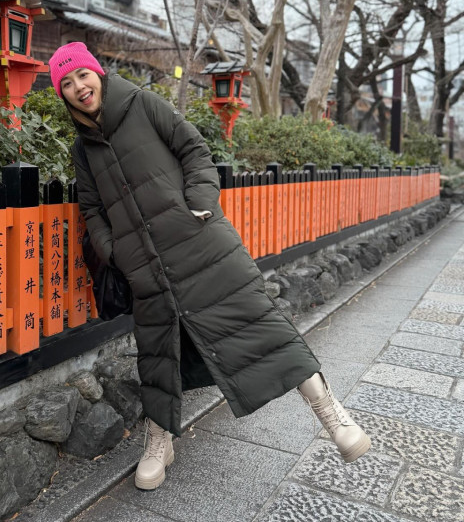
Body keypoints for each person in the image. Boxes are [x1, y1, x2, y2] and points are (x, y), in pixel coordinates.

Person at [49, 42, 371, 491]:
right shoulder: (83, 149)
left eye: (82, 75)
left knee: (260, 323)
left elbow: (195, 150)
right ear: (61, 92)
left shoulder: (142, 103)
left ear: (97, 73)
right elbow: (91, 209)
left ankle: (332, 415)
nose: (79, 87)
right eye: (66, 82)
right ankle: (160, 440)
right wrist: (115, 250)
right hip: (146, 268)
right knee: (159, 354)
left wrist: (197, 204)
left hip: (202, 245)